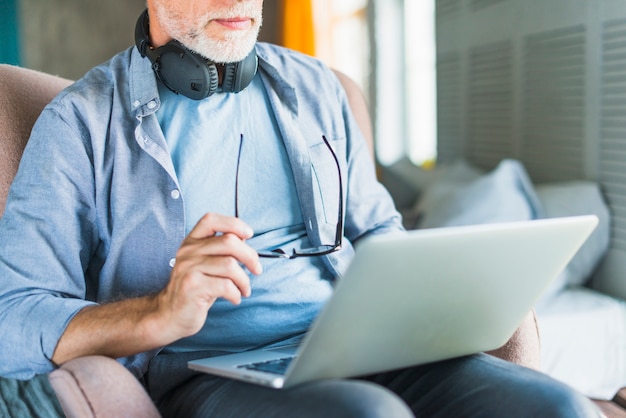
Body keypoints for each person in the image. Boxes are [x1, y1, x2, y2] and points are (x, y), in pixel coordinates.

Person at [0, 0, 601, 417]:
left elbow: (379, 230)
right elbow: (14, 317)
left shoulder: (319, 88)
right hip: (206, 374)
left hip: (362, 344)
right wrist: (158, 313)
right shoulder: (80, 122)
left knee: (557, 406)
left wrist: (437, 287)